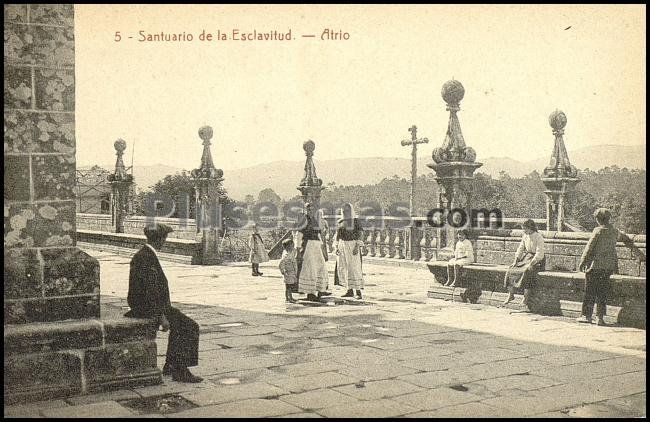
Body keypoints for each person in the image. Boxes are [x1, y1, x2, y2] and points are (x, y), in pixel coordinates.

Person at [125, 224, 203, 383]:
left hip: (149, 306)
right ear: (161, 239)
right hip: (148, 308)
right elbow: (150, 291)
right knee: (189, 327)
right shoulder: (145, 257)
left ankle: (170, 365)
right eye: (164, 238)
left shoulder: (144, 254)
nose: (164, 241)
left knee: (182, 324)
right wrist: (161, 317)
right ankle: (180, 370)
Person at [576, 208, 619, 326]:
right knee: (602, 292)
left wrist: (582, 262)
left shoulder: (598, 230)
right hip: (608, 266)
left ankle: (587, 316)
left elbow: (589, 248)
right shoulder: (614, 231)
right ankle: (600, 318)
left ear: (598, 219)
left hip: (595, 266)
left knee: (590, 291)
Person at [503, 219, 545, 306]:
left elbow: (539, 253)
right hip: (527, 257)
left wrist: (531, 263)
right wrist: (516, 260)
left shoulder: (538, 237)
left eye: (525, 228)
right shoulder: (525, 236)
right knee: (511, 269)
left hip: (537, 260)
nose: (524, 231)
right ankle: (511, 294)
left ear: (530, 228)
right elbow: (520, 248)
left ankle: (526, 298)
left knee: (527, 271)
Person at [296, 202, 330, 302]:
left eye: (312, 209)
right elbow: (298, 235)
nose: (310, 211)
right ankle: (310, 293)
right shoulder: (303, 220)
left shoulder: (315, 220)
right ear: (305, 210)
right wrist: (298, 250)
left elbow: (319, 234)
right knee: (310, 269)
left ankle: (320, 289)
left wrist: (323, 247)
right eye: (308, 209)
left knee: (321, 266)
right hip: (308, 246)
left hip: (316, 246)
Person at [333, 203, 365, 299]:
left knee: (354, 268)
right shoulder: (340, 222)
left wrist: (357, 246)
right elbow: (337, 236)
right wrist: (336, 247)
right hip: (342, 245)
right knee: (344, 267)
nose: (345, 212)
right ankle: (349, 290)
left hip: (352, 245)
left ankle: (358, 291)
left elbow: (360, 233)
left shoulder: (356, 221)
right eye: (344, 211)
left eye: (347, 210)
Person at [278, 238, 298, 303]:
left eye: (293, 245)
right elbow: (281, 264)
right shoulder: (285, 255)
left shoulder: (292, 251)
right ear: (286, 247)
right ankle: (288, 298)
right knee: (288, 286)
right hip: (288, 271)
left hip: (292, 270)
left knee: (291, 285)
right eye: (291, 246)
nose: (293, 247)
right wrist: (283, 271)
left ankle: (290, 297)